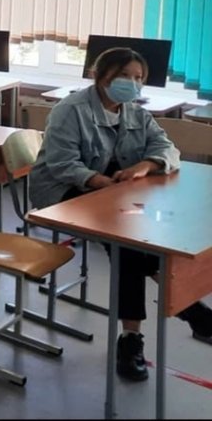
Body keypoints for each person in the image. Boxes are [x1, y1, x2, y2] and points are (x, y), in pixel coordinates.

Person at [29, 47, 212, 382]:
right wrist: (102, 183)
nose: (132, 83)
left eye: (138, 77)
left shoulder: (135, 112)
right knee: (127, 244)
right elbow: (62, 164)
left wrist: (145, 166)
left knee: (134, 243)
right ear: (100, 76)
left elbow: (167, 148)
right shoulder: (70, 110)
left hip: (114, 194)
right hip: (62, 191)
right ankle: (157, 324)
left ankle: (143, 331)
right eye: (124, 75)